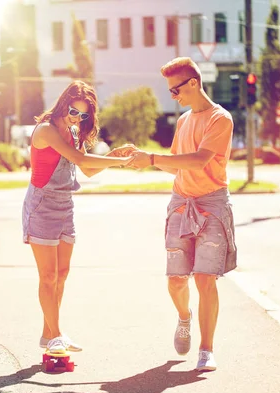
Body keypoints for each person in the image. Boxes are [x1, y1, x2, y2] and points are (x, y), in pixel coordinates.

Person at [129, 57, 237, 371]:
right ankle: (184, 317)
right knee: (177, 280)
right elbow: (177, 164)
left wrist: (151, 158)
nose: (173, 97)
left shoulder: (221, 118)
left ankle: (206, 350)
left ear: (193, 83)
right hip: (180, 202)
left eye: (176, 90)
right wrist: (138, 158)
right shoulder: (184, 121)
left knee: (205, 279)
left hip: (212, 204)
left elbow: (200, 160)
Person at [23, 80, 135, 354]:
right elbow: (81, 161)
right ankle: (57, 335)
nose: (77, 118)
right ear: (63, 104)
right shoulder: (47, 131)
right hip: (42, 206)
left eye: (84, 115)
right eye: (74, 111)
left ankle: (48, 334)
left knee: (62, 274)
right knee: (48, 276)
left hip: (65, 205)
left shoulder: (73, 133)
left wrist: (113, 155)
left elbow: (88, 171)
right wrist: (121, 162)